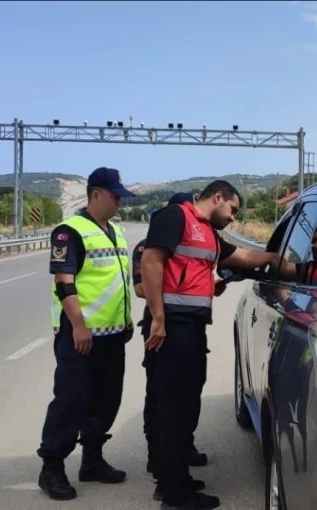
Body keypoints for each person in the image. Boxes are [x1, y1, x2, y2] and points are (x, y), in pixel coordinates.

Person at [141, 179, 277, 509]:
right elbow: (151, 261)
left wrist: (278, 257)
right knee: (175, 408)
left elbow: (240, 255)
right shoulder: (175, 217)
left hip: (188, 328)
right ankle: (174, 494)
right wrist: (158, 317)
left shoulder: (206, 232)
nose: (232, 218)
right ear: (217, 197)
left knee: (182, 405)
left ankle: (173, 479)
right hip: (172, 328)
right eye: (231, 209)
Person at [37, 167, 136, 501]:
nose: (119, 201)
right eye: (114, 195)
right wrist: (78, 326)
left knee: (106, 400)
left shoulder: (117, 232)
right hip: (80, 335)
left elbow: (117, 282)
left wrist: (126, 321)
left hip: (112, 335)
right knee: (72, 400)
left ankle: (92, 460)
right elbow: (65, 283)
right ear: (95, 194)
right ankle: (51, 468)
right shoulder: (70, 232)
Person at [131, 192, 212, 500]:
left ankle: (178, 455)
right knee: (160, 398)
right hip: (159, 326)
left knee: (184, 398)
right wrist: (166, 298)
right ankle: (159, 462)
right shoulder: (147, 246)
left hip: (182, 326)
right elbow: (141, 287)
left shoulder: (190, 240)